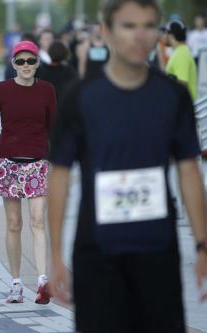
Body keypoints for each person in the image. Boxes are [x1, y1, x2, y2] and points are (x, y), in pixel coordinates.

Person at [48, 1, 207, 332]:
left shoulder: (172, 96)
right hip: (97, 253)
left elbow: (189, 170)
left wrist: (202, 244)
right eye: (129, 26)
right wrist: (55, 255)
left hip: (158, 251)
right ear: (106, 32)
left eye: (149, 26)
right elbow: (59, 176)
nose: (140, 35)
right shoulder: (79, 97)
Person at [0, 40, 56, 305]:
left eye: (31, 61)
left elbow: (54, 128)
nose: (26, 66)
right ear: (13, 63)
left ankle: (43, 280)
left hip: (38, 162)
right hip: (8, 163)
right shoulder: (1, 89)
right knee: (14, 224)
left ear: (37, 64)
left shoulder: (47, 90)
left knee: (37, 221)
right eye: (21, 61)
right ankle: (15, 284)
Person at [166, 19, 198, 101]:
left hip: (182, 108)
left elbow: (182, 84)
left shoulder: (181, 54)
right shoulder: (181, 51)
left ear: (171, 35)